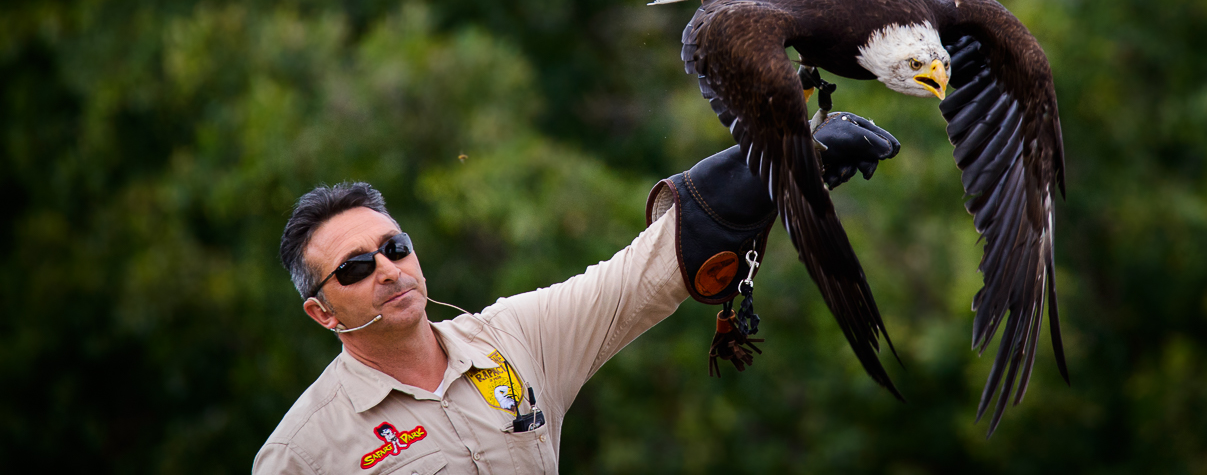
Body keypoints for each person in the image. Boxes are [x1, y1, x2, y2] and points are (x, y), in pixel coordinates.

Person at [253, 113, 900, 474]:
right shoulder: (301, 452)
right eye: (356, 268)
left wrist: (782, 160)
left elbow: (639, 276)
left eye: (394, 248)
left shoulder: (512, 341)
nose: (388, 270)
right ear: (321, 311)